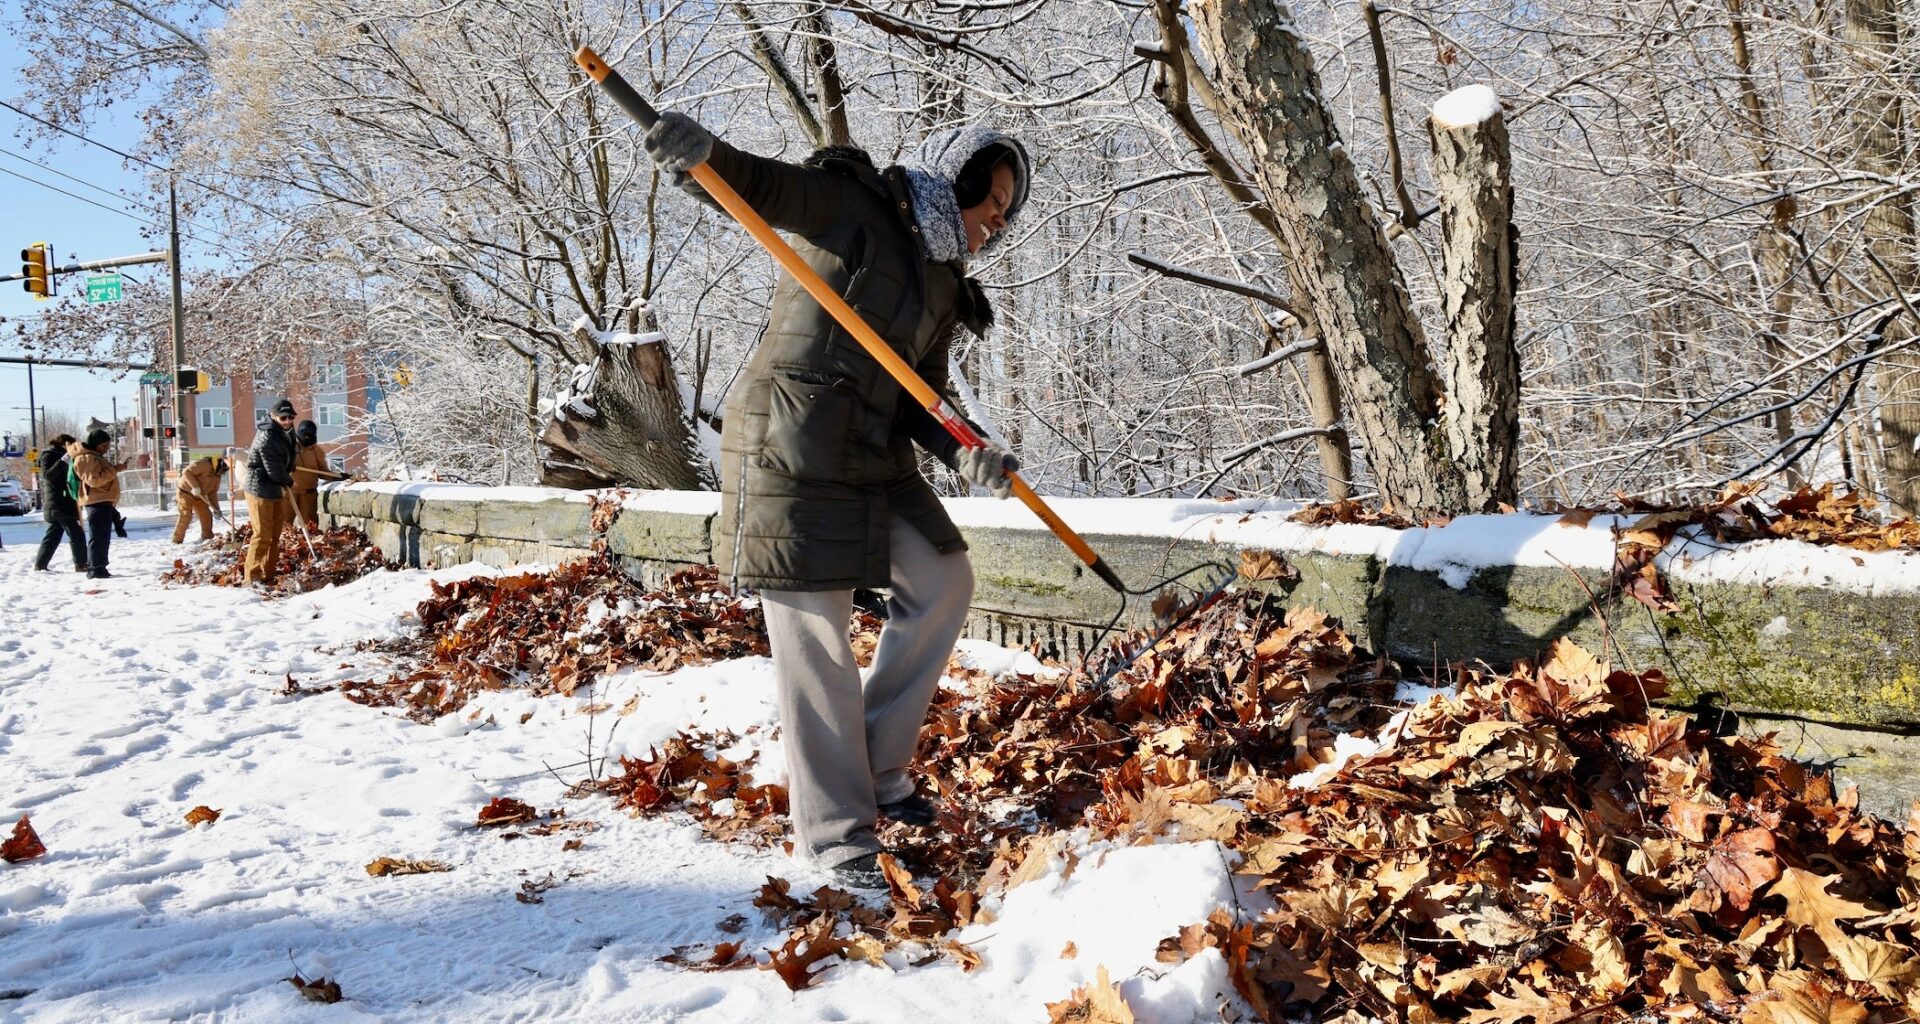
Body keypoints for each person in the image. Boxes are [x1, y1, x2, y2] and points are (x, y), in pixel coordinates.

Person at [644, 114, 1030, 886]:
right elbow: (760, 189)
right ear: (956, 179)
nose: (999, 221)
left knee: (943, 579)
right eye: (992, 202)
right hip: (789, 443)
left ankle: (879, 769)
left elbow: (924, 395)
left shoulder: (946, 279)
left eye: (1006, 212)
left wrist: (969, 451)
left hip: (870, 451)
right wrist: (702, 158)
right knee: (816, 638)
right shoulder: (859, 207)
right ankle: (837, 832)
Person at [244, 399, 299, 584]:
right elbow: (274, 468)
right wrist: (287, 479)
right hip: (259, 488)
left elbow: (290, 455)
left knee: (275, 535)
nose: (287, 421)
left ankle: (267, 575)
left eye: (290, 417)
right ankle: (251, 578)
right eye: (283, 417)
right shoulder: (267, 435)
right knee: (262, 535)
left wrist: (289, 469)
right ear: (273, 416)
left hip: (274, 488)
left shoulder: (287, 432)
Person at [68, 430, 125, 579]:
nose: (106, 448)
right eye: (104, 445)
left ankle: (99, 567)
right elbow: (94, 480)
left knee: (101, 536)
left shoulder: (92, 456)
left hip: (101, 500)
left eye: (108, 445)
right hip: (96, 501)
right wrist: (115, 470)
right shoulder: (86, 458)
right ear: (95, 444)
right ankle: (96, 569)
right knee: (98, 536)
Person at [32, 434, 86, 573]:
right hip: (58, 503)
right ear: (64, 444)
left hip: (65, 503)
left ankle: (40, 564)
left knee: (52, 536)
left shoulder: (65, 456)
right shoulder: (49, 455)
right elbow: (49, 475)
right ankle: (81, 564)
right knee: (76, 534)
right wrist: (66, 458)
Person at [288, 420, 348, 531]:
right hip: (289, 493)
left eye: (311, 434)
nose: (308, 437)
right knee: (283, 526)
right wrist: (287, 465)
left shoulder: (317, 451)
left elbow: (322, 471)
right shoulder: (289, 447)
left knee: (310, 527)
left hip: (309, 494)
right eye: (305, 434)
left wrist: (337, 476)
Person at [173, 454, 228, 544]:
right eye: (221, 471)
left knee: (206, 515)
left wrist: (216, 509)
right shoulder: (203, 464)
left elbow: (212, 493)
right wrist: (195, 486)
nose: (221, 474)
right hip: (185, 492)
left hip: (200, 496)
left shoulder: (217, 477)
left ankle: (207, 538)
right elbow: (187, 472)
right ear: (217, 466)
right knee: (186, 515)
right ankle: (177, 540)